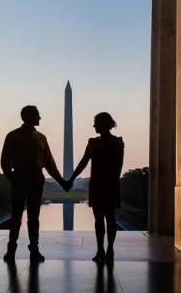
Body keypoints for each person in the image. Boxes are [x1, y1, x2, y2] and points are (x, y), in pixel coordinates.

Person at [0, 105, 70, 261]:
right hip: (20, 176)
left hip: (36, 178)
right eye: (37, 115)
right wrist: (13, 179)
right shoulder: (13, 136)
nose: (40, 118)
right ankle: (11, 249)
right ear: (27, 116)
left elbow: (49, 164)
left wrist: (62, 182)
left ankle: (34, 249)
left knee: (34, 217)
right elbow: (5, 162)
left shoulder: (41, 138)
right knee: (16, 215)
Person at [67, 112, 124, 262]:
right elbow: (83, 162)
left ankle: (110, 249)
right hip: (96, 184)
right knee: (98, 219)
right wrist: (71, 179)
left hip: (110, 183)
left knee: (110, 218)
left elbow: (118, 166)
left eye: (96, 123)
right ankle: (100, 249)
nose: (94, 126)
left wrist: (113, 184)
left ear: (105, 124)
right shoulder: (92, 142)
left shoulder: (116, 142)